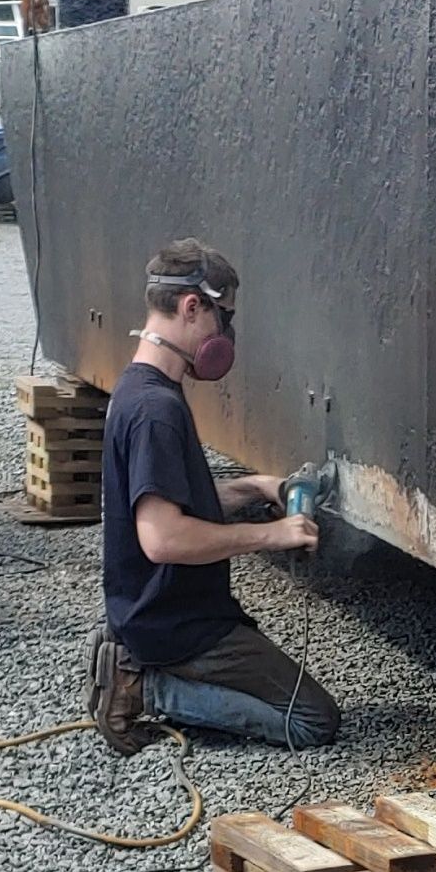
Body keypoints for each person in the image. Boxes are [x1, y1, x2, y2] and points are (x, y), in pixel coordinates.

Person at [88, 237, 341, 753]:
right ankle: (146, 685)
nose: (225, 334)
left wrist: (254, 488)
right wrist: (270, 534)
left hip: (150, 612)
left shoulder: (137, 390)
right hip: (177, 626)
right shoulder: (157, 411)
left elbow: (173, 501)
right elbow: (162, 538)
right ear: (190, 306)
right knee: (312, 722)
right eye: (221, 318)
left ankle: (134, 658)